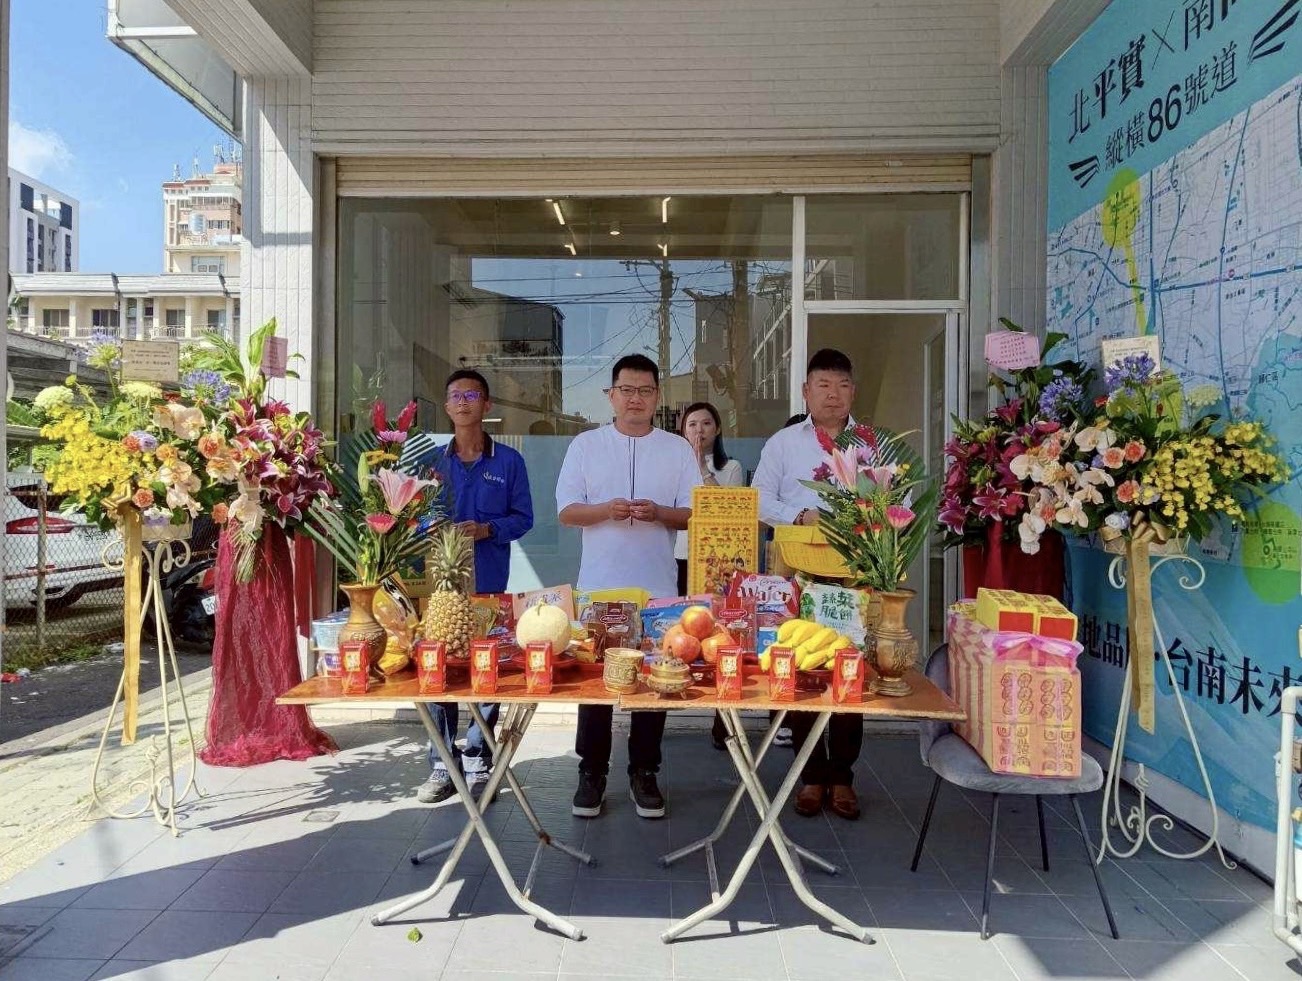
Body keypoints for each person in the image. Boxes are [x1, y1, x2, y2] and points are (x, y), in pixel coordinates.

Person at [556, 354, 698, 819]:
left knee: (656, 678)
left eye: (645, 391)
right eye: (627, 390)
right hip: (599, 587)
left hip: (658, 587)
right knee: (594, 680)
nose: (635, 399)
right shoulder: (586, 445)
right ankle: (591, 771)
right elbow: (566, 511)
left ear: (657, 396)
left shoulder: (677, 449)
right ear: (611, 395)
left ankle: (645, 771)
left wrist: (659, 513)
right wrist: (605, 510)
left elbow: (694, 512)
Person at [751, 349, 864, 821]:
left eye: (842, 385)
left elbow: (889, 500)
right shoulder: (783, 443)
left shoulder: (870, 444)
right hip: (795, 572)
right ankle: (811, 774)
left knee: (849, 668)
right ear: (806, 391)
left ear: (852, 391)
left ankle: (843, 776)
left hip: (852, 574)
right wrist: (798, 514)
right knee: (799, 666)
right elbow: (759, 498)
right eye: (823, 385)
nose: (833, 394)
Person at [414, 370, 534, 803]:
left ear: (487, 405)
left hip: (489, 580)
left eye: (472, 395)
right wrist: (431, 526)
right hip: (442, 587)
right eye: (455, 395)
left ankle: (480, 758)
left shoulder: (508, 462)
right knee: (439, 668)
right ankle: (441, 763)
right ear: (447, 406)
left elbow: (524, 518)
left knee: (486, 666)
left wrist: (488, 529)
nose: (463, 402)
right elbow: (411, 515)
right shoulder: (431, 463)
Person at [675, 401, 746, 595]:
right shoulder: (675, 466)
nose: (699, 430)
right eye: (692, 424)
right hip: (682, 551)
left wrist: (703, 468)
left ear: (718, 429)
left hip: (718, 554)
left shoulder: (732, 467)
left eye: (706, 423)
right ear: (684, 432)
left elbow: (725, 509)